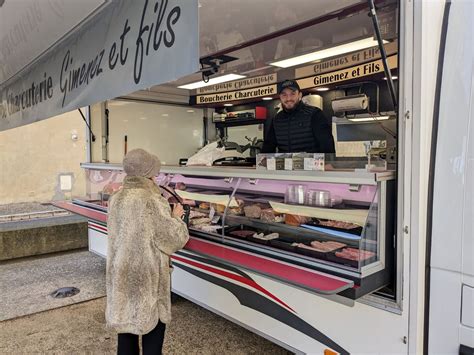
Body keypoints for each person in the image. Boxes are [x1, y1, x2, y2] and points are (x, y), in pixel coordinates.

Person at [106, 148, 189, 355]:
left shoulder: (115, 199)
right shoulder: (153, 200)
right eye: (154, 172)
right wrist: (176, 217)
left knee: (126, 328)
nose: (156, 176)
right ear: (147, 172)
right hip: (146, 276)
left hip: (122, 272)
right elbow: (173, 239)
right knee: (153, 329)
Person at [261, 79, 335, 153]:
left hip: (312, 164)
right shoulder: (276, 120)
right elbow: (268, 146)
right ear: (280, 97)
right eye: (284, 95)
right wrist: (261, 162)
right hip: (286, 164)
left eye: (292, 94)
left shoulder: (315, 114)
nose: (288, 98)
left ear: (300, 95)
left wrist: (329, 162)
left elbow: (326, 143)